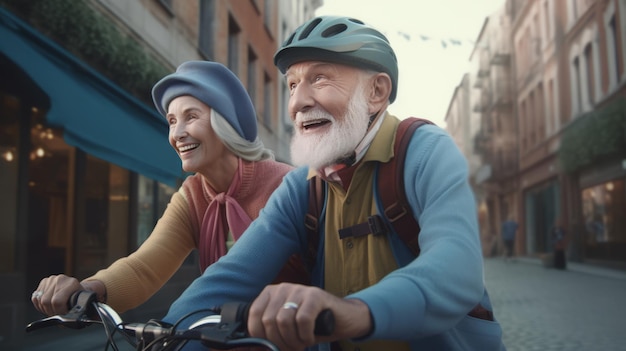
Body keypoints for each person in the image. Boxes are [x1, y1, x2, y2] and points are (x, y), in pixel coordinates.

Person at [160, 16, 505, 351]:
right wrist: (167, 333)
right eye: (293, 85)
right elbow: (230, 276)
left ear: (376, 91)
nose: (298, 103)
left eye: (320, 78)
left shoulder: (424, 151)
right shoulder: (301, 187)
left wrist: (353, 312)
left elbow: (456, 268)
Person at [30, 61, 302, 316]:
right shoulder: (192, 196)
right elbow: (144, 268)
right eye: (172, 121)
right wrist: (86, 290)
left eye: (190, 116)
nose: (177, 133)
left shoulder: (287, 185)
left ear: (226, 123)